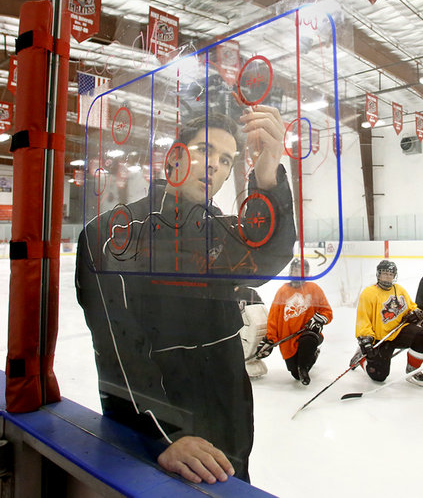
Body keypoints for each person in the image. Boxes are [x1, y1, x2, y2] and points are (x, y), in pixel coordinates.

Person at [75, 105, 295, 485]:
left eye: (226, 160)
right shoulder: (113, 234)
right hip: (157, 442)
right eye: (204, 151)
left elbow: (270, 256)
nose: (215, 166)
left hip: (230, 430)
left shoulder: (222, 235)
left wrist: (268, 176)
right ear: (174, 156)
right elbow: (118, 348)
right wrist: (161, 434)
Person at [255, 258, 333, 385]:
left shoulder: (314, 289)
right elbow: (273, 319)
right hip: (288, 339)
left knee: (306, 350)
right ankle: (312, 357)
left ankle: (304, 367)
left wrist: (317, 320)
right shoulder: (282, 291)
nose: (297, 274)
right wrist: (270, 340)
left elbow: (327, 312)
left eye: (300, 271)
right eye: (295, 270)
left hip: (307, 334)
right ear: (290, 271)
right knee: (295, 374)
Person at [355, 260, 423, 385]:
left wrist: (416, 312)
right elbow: (363, 319)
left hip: (398, 331)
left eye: (390, 274)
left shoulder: (399, 289)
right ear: (378, 274)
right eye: (385, 273)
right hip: (380, 338)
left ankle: (413, 369)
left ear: (394, 275)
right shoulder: (368, 293)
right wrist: (365, 338)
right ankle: (362, 358)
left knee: (421, 335)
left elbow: (410, 306)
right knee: (379, 376)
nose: (388, 277)